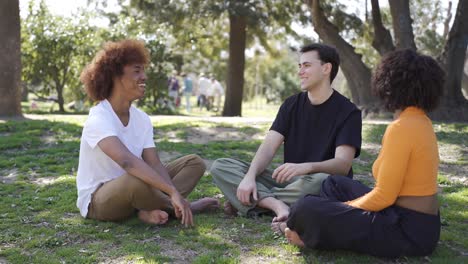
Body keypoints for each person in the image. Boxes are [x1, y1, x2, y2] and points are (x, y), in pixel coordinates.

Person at [282, 49, 444, 258]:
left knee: (305, 208)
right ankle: (318, 226)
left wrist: (340, 210)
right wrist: (339, 210)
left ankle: (307, 233)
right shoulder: (421, 121)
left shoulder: (402, 127)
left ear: (389, 85)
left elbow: (383, 197)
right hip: (419, 223)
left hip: (407, 232)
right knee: (334, 183)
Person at [210, 43, 362, 225]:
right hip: (287, 183)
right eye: (300, 66)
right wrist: (249, 178)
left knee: (322, 181)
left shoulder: (348, 112)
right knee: (221, 166)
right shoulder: (291, 105)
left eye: (306, 65)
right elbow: (268, 148)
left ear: (326, 68)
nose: (300, 72)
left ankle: (249, 200)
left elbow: (342, 165)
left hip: (316, 182)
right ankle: (275, 205)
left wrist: (307, 167)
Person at [76, 39, 218, 226]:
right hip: (99, 200)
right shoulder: (99, 118)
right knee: (135, 180)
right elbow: (127, 162)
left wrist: (170, 190)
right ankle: (179, 207)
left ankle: (150, 209)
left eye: (143, 70)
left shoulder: (142, 119)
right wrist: (173, 193)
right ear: (115, 76)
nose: (144, 77)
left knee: (194, 163)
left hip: (138, 186)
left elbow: (154, 164)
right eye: (137, 71)